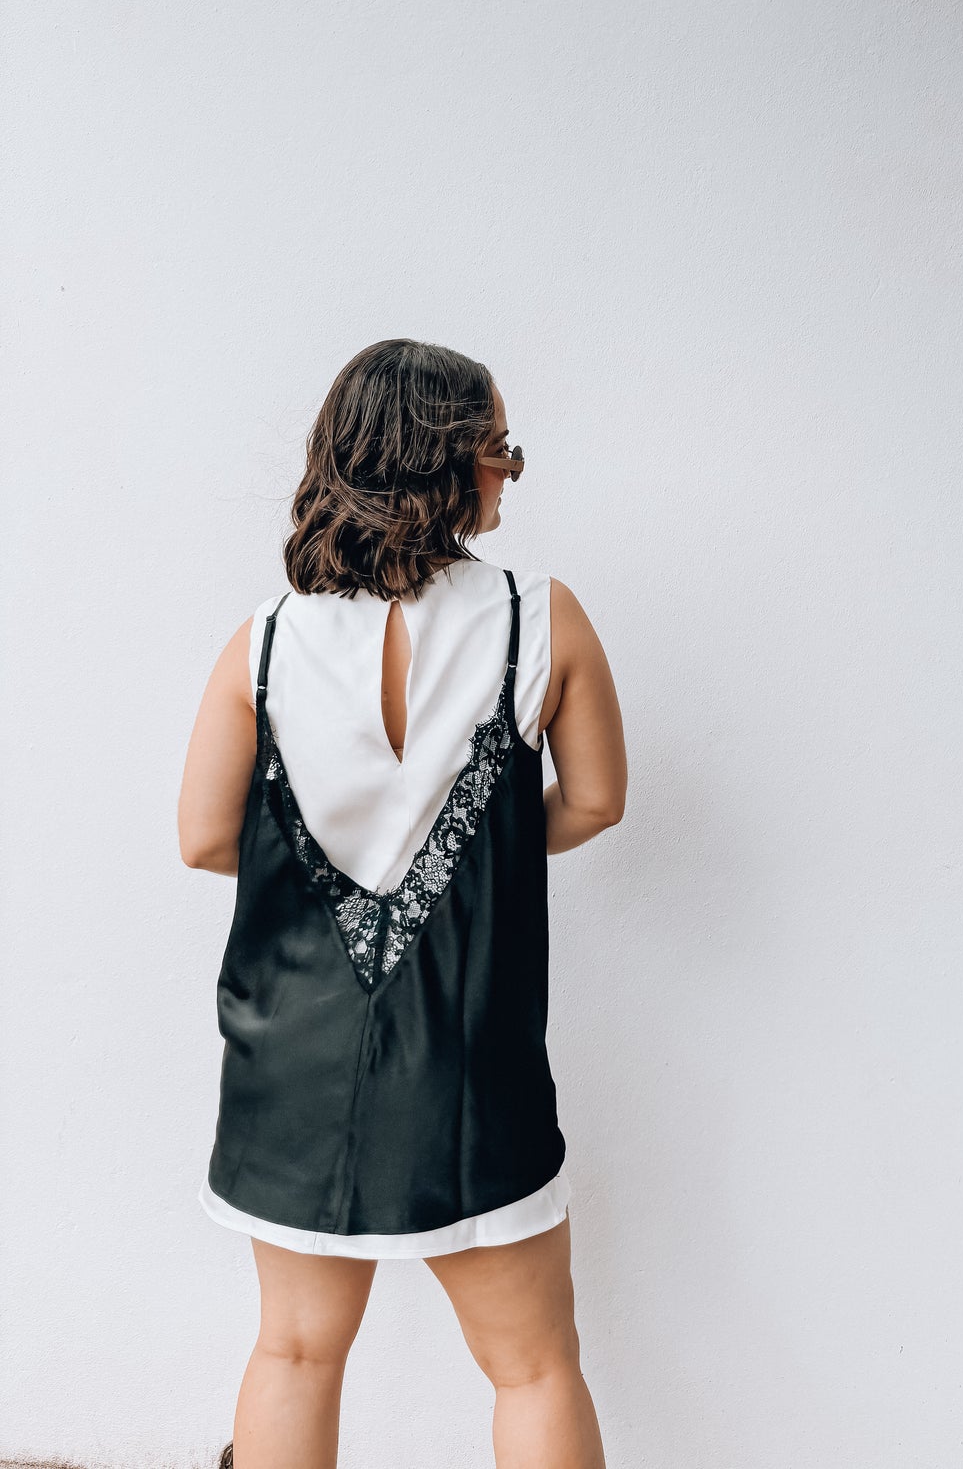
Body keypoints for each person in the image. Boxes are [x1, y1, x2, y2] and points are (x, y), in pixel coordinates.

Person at [177, 339, 626, 1469]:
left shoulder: (264, 643)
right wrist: (495, 857)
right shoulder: (540, 618)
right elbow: (599, 800)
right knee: (531, 1363)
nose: (508, 474)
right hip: (469, 1062)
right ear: (444, 461)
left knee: (291, 1352)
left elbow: (204, 837)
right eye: (499, 450)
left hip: (291, 1063)